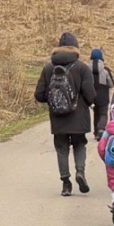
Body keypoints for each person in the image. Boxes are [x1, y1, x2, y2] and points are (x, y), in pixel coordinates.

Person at [35, 30, 98, 197]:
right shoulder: (82, 68)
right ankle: (80, 172)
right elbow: (91, 95)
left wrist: (54, 100)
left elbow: (39, 95)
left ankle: (66, 184)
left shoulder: (48, 68)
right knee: (79, 144)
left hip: (58, 118)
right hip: (79, 117)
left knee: (61, 148)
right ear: (75, 48)